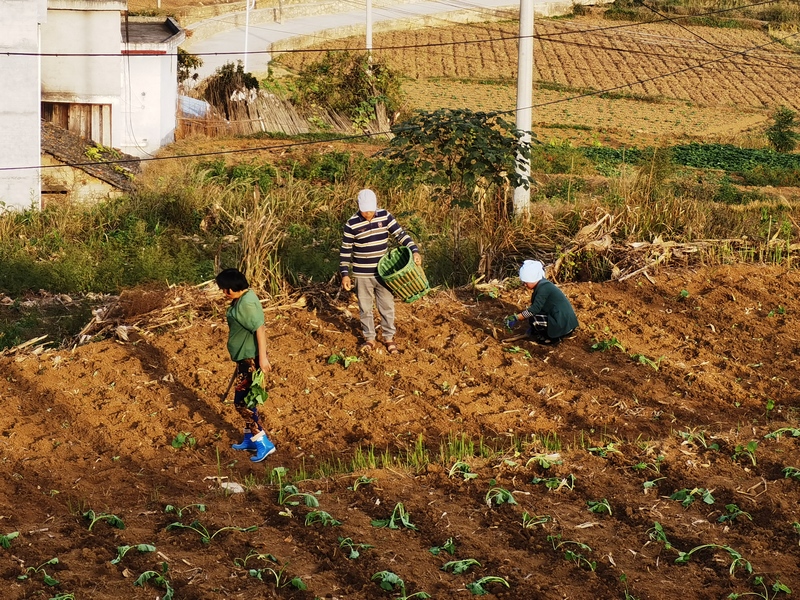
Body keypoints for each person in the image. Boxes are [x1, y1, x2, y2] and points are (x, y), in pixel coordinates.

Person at [339, 188, 422, 355]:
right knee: (365, 308)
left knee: (387, 306)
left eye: (370, 210)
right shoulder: (351, 224)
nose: (368, 214)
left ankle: (388, 337)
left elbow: (400, 235)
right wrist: (345, 274)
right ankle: (369, 338)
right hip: (362, 274)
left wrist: (414, 250)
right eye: (365, 211)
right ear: (359, 207)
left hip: (383, 273)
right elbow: (345, 250)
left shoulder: (385, 216)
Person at [215, 268, 276, 462]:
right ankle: (249, 439)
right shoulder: (242, 298)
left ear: (235, 286)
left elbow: (260, 329)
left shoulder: (246, 303)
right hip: (244, 359)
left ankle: (263, 443)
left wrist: (262, 358)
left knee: (242, 404)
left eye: (226, 289)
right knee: (248, 400)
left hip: (250, 360)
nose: (224, 293)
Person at [505, 260, 578, 345]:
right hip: (565, 321)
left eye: (526, 282)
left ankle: (552, 339)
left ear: (532, 279)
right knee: (533, 318)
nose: (524, 284)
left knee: (534, 320)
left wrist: (517, 317)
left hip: (563, 324)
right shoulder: (543, 285)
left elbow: (535, 309)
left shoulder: (544, 288)